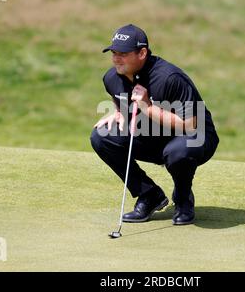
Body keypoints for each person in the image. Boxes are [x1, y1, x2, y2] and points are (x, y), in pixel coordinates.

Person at [90, 24, 219, 225]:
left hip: (196, 138)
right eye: (113, 53)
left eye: (123, 54)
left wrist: (148, 107)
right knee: (101, 136)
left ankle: (183, 199)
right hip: (154, 137)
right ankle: (149, 195)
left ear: (142, 53)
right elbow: (120, 99)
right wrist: (119, 113)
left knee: (178, 151)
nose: (116, 58)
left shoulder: (170, 78)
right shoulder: (111, 78)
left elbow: (191, 124)